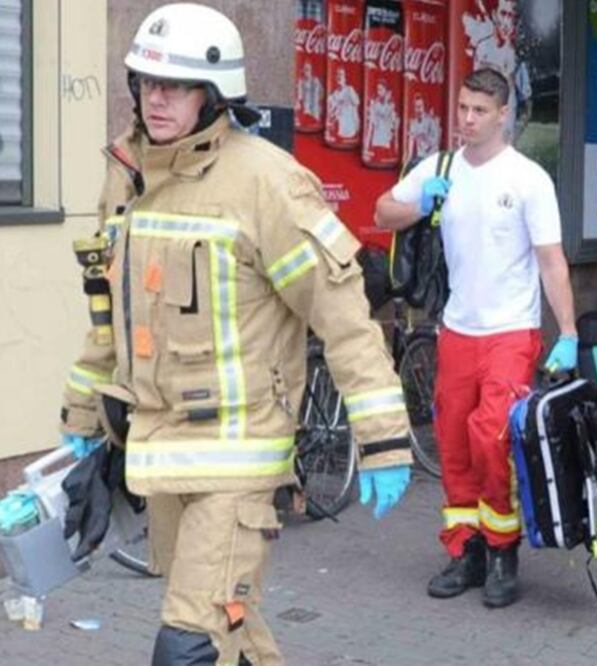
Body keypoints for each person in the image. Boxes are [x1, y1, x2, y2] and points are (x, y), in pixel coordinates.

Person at [58, 5, 413, 664]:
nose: (156, 98)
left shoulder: (267, 184)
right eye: (146, 81)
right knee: (233, 630)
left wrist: (384, 440)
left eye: (177, 85)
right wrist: (85, 412)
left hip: (241, 456)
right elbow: (109, 311)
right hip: (160, 451)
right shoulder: (127, 176)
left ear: (214, 94)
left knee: (187, 643)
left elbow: (344, 320)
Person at [374, 67, 577, 609]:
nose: (466, 119)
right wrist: (421, 202)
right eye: (462, 107)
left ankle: (503, 549)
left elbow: (552, 262)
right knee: (455, 443)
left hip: (511, 331)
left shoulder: (528, 178)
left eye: (479, 111)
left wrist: (570, 333)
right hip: (457, 330)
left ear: (503, 114)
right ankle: (467, 550)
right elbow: (382, 212)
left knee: (493, 438)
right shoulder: (440, 168)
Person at [463, 0, 531, 141]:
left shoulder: (517, 56)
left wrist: (514, 134)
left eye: (511, 16)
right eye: (504, 14)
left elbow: (527, 104)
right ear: (494, 15)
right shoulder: (482, 49)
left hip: (503, 143)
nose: (507, 21)